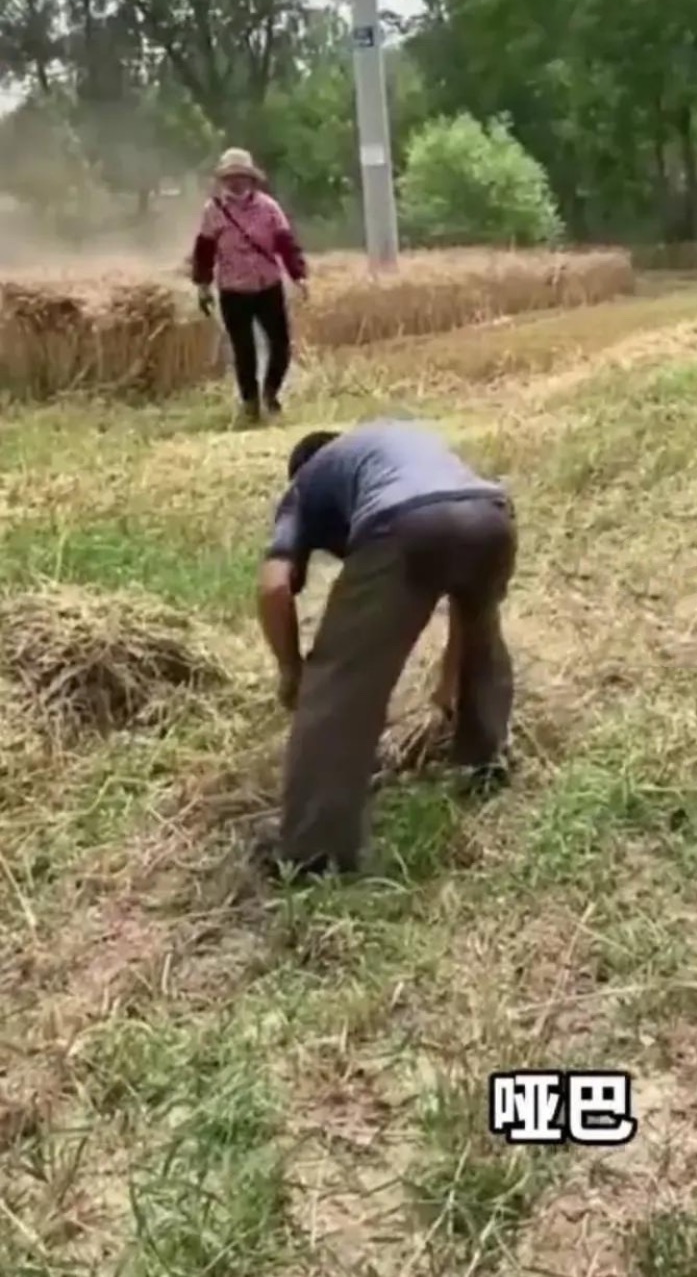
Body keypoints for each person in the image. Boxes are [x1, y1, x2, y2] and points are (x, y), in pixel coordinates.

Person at [255, 419, 517, 877]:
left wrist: (293, 672)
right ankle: (482, 762)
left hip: (405, 521)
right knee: (484, 634)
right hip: (491, 514)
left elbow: (275, 589)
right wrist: (447, 685)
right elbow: (464, 610)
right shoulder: (387, 451)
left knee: (339, 683)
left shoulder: (306, 485)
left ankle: (313, 855)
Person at [191, 147, 308, 422]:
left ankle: (270, 394)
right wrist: (203, 285)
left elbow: (286, 245)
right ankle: (250, 402)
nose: (236, 182)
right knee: (244, 350)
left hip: (267, 285)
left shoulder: (268, 208)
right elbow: (204, 251)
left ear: (251, 179)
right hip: (232, 289)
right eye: (230, 177)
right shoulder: (213, 211)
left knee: (280, 345)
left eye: (241, 176)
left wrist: (298, 275)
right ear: (223, 180)